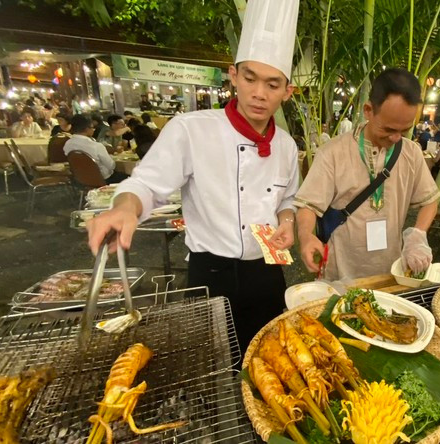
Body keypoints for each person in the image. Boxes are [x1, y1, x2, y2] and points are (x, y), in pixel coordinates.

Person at [85, 0, 300, 355]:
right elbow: (146, 184)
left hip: (267, 271)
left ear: (287, 91)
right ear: (233, 75)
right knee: (211, 363)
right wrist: (125, 208)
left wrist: (287, 219)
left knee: (267, 359)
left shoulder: (287, 146)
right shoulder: (191, 129)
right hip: (211, 272)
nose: (259, 93)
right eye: (250, 79)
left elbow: (289, 199)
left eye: (273, 84)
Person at [295, 68, 440, 281]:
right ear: (368, 110)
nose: (396, 138)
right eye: (388, 129)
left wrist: (418, 235)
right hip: (340, 273)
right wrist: (306, 236)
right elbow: (308, 206)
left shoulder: (411, 152)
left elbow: (430, 200)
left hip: (390, 274)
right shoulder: (333, 152)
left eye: (405, 130)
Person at [63, 114, 127, 184]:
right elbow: (111, 166)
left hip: (80, 180)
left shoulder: (67, 144)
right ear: (87, 129)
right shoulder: (96, 146)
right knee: (129, 177)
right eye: (92, 128)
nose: (93, 130)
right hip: (103, 180)